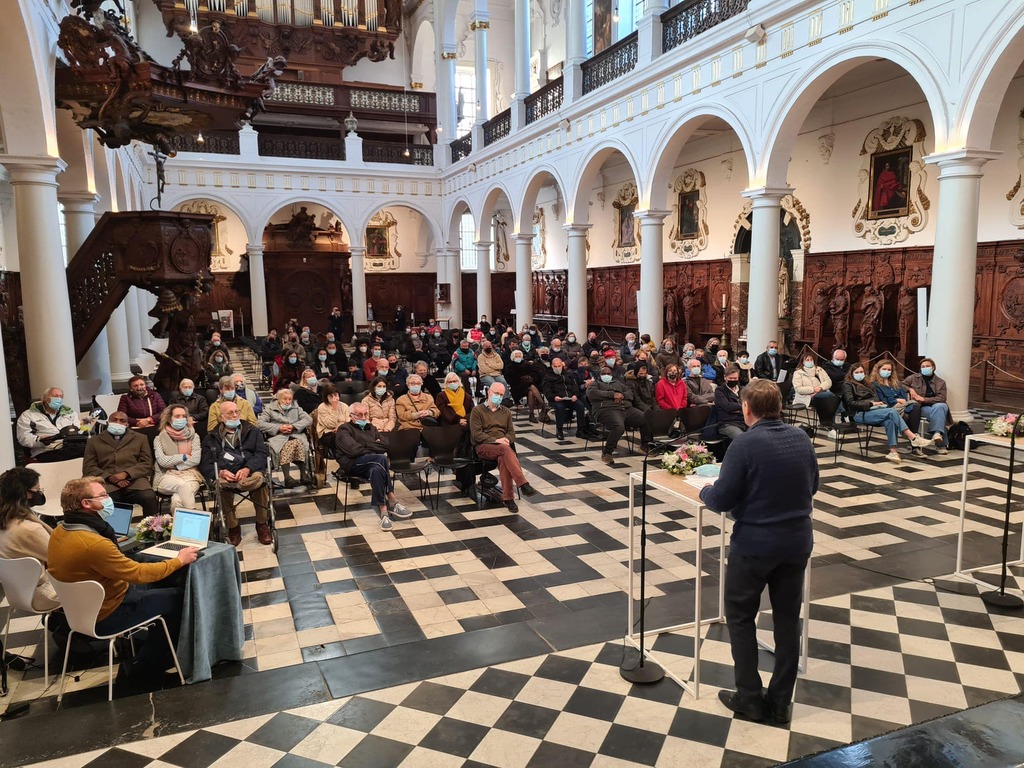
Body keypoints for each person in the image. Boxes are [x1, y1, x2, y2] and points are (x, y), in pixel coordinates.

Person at [699, 379, 819, 725]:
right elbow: (813, 485)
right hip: (796, 541)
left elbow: (722, 500)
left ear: (746, 409)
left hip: (755, 545)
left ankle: (749, 697)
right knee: (786, 619)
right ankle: (781, 701)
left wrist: (707, 491)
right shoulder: (800, 437)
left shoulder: (745, 444)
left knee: (739, 617)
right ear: (779, 406)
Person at [48, 476, 196, 679]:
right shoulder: (93, 544)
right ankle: (148, 663)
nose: (108, 499)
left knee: (162, 581)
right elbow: (138, 573)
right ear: (86, 504)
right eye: (103, 495)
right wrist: (179, 560)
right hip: (109, 614)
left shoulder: (59, 531)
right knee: (180, 597)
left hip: (82, 611)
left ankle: (144, 645)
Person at [201, 400, 273, 545]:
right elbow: (205, 463)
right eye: (230, 413)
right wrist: (221, 472)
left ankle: (262, 524)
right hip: (226, 474)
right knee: (220, 486)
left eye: (236, 412)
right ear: (221, 417)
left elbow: (261, 454)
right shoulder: (210, 438)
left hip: (250, 471)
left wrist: (248, 469)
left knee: (259, 481)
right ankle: (233, 527)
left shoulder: (253, 431)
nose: (234, 415)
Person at [334, 403, 412, 531]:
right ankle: (392, 501)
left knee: (377, 468)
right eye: (359, 415)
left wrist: (363, 446)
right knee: (381, 459)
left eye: (365, 414)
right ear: (351, 416)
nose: (363, 417)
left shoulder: (371, 428)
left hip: (372, 463)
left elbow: (386, 444)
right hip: (352, 464)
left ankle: (384, 511)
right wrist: (372, 445)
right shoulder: (344, 429)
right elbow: (353, 451)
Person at [842, 363, 933, 463]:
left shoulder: (869, 384)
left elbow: (877, 398)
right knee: (891, 412)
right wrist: (870, 404)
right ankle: (913, 437)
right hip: (859, 413)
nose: (859, 374)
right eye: (857, 372)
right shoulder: (848, 385)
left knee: (890, 420)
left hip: (875, 410)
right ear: (852, 373)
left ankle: (893, 452)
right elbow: (850, 403)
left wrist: (878, 403)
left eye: (861, 372)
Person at [469, 383, 538, 513]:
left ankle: (508, 498)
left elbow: (511, 433)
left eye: (501, 395)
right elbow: (477, 435)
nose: (498, 397)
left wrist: (507, 439)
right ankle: (523, 484)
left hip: (502, 447)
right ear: (489, 392)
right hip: (483, 446)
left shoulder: (505, 411)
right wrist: (496, 440)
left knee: (504, 457)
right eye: (496, 393)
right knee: (505, 450)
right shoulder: (477, 410)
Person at [0, 468, 60, 610]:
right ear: (24, 493)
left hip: (16, 593)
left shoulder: (7, 521)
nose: (39, 494)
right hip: (42, 595)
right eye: (36, 490)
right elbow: (61, 558)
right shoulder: (29, 529)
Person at [83, 412, 160, 518]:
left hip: (135, 480)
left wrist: (126, 474)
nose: (118, 422)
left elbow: (146, 463)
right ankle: (110, 532)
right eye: (114, 420)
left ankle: (152, 529)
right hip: (106, 482)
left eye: (122, 421)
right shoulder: (94, 441)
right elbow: (89, 467)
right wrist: (111, 477)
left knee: (149, 497)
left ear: (127, 424)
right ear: (108, 422)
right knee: (103, 501)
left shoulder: (140, 438)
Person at [587, 365, 652, 462]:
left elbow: (630, 393)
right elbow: (592, 394)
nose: (606, 375)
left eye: (608, 373)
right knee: (618, 426)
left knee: (646, 418)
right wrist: (612, 395)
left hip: (625, 408)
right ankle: (607, 452)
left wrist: (621, 395)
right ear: (599, 375)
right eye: (603, 374)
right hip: (607, 409)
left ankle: (645, 446)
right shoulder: (595, 384)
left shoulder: (618, 383)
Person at [153, 405, 204, 512]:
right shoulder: (159, 438)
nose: (181, 418)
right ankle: (195, 517)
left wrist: (175, 466)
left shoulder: (194, 436)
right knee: (183, 486)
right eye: (177, 416)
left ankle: (180, 527)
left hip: (190, 475)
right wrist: (184, 456)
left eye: (184, 416)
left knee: (177, 500)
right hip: (166, 475)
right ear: (169, 419)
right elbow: (162, 461)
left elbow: (195, 459)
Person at [259, 388, 313, 487]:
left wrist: (294, 426)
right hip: (279, 437)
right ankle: (301, 474)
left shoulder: (296, 407)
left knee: (297, 442)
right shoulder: (270, 409)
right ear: (279, 399)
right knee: (293, 443)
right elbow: (259, 423)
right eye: (285, 399)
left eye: (290, 399)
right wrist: (279, 427)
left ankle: (289, 477)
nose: (288, 402)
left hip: (295, 434)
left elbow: (308, 419)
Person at [16, 387, 83, 462]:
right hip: (46, 450)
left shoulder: (70, 413)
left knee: (91, 453)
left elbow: (78, 429)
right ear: (45, 398)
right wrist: (40, 440)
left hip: (72, 446)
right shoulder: (29, 415)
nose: (59, 399)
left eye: (61, 397)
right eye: (55, 396)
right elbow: (24, 437)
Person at [902, 358, 950, 454]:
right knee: (940, 414)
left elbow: (942, 397)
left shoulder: (941, 382)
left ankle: (937, 434)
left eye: (927, 366)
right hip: (921, 408)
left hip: (935, 406)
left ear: (933, 367)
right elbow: (901, 384)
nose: (925, 368)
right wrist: (910, 389)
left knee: (941, 406)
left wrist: (924, 399)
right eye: (923, 367)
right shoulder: (914, 378)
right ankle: (940, 443)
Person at [543, 356, 588, 440]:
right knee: (560, 407)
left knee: (580, 406)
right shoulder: (548, 377)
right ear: (552, 366)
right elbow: (546, 391)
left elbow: (575, 386)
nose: (557, 368)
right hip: (556, 399)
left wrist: (575, 395)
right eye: (555, 366)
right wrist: (554, 397)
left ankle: (580, 430)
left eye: (559, 366)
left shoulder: (569, 374)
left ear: (562, 366)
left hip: (570, 398)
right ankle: (559, 430)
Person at [314, 384, 349, 453]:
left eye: (335, 395)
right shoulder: (322, 407)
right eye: (331, 396)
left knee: (352, 436)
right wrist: (334, 408)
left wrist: (340, 426)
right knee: (341, 439)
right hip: (327, 433)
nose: (334, 398)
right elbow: (331, 425)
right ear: (326, 397)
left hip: (343, 431)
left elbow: (349, 420)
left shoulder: (344, 406)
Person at [714, 366, 746, 440]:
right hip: (727, 424)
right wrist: (742, 406)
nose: (733, 380)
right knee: (742, 439)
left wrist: (736, 408)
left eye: (735, 378)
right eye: (730, 378)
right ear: (725, 377)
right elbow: (727, 406)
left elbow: (749, 404)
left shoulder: (743, 390)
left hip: (744, 422)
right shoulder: (719, 391)